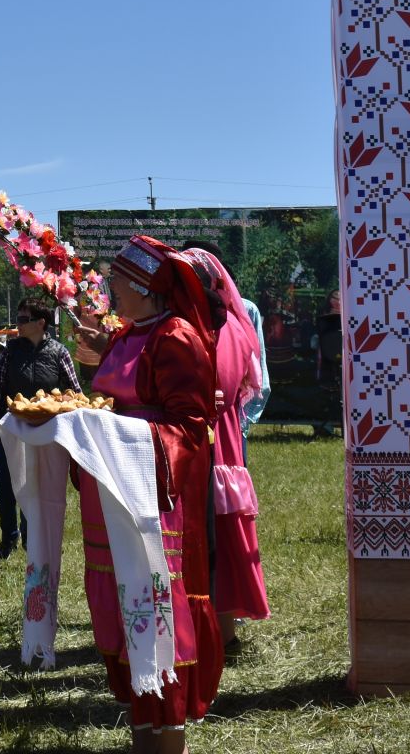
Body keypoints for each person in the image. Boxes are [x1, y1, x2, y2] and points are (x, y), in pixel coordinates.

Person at [74, 237, 224, 754]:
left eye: (115, 280)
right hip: (109, 493)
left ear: (140, 286)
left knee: (156, 606)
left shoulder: (174, 335)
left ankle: (168, 738)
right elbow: (107, 403)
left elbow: (189, 424)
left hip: (151, 500)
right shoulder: (125, 336)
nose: (109, 288)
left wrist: (117, 431)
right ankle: (143, 730)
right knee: (120, 604)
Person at [182, 248, 271, 646]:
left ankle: (216, 628)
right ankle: (219, 626)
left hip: (211, 440)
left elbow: (213, 389)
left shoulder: (216, 332)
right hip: (221, 439)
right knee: (217, 527)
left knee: (211, 528)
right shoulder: (229, 327)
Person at [0, 301, 81, 559]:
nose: (19, 324)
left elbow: (75, 393)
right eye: (18, 318)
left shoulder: (59, 353)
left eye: (24, 319)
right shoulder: (11, 352)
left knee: (36, 485)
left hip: (47, 431)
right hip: (12, 428)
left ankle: (31, 537)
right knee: (6, 484)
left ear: (41, 323)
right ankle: (8, 537)